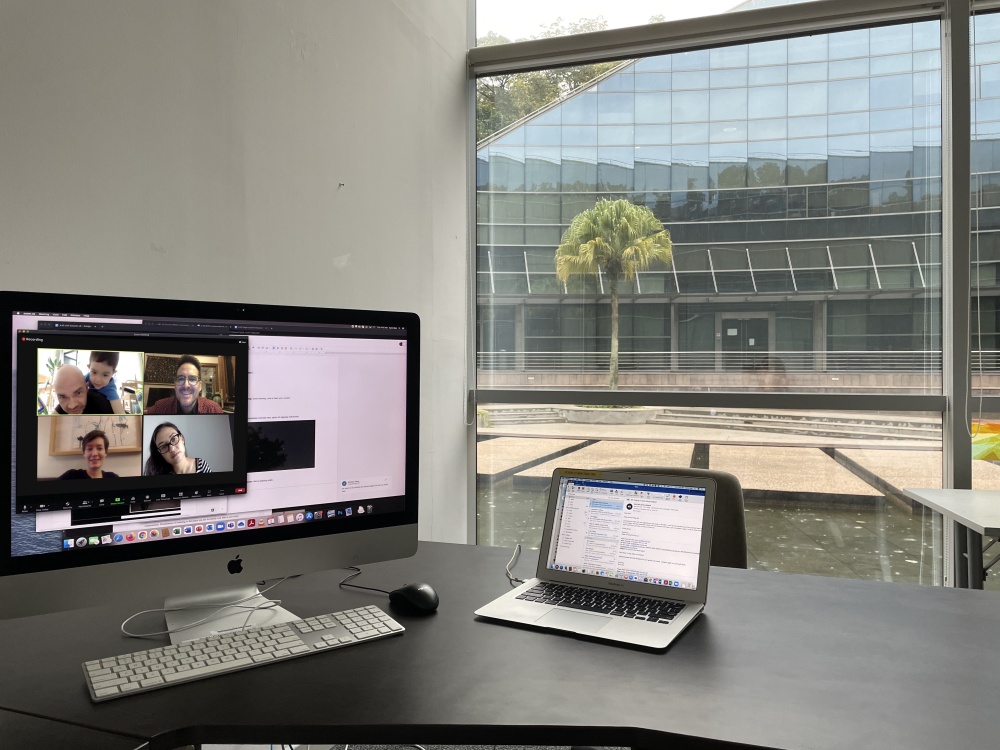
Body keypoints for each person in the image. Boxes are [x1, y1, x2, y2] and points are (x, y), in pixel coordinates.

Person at [145, 355, 224, 415]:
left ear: (200, 386)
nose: (186, 385)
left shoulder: (213, 409)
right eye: (181, 379)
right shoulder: (160, 408)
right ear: (175, 385)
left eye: (192, 379)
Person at [143, 422, 212, 475]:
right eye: (163, 446)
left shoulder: (201, 465)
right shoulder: (158, 476)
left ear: (182, 439)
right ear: (160, 453)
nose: (172, 449)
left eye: (173, 439)